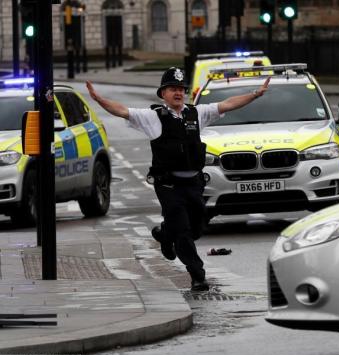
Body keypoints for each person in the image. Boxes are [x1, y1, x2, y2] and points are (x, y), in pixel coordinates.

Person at [86, 67, 270, 291]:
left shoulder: (197, 113)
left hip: (193, 183)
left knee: (197, 227)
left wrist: (255, 94)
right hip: (169, 185)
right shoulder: (153, 117)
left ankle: (165, 234)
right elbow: (122, 110)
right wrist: (98, 99)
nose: (178, 93)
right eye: (173, 89)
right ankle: (198, 275)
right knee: (183, 232)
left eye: (181, 89)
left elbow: (228, 104)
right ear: (163, 93)